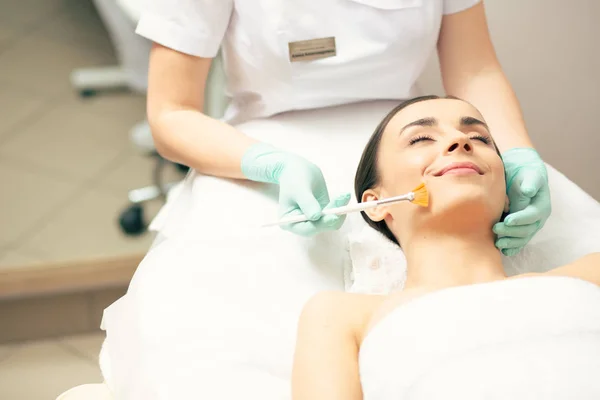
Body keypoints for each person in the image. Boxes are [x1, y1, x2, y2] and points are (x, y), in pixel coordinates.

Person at [135, 0, 550, 255]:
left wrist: (515, 152)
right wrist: (270, 165)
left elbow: (475, 71)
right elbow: (171, 113)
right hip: (257, 146)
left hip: (409, 135)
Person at [291, 96, 600, 399]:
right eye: (421, 139)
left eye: (479, 138)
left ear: (508, 193)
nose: (460, 142)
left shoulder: (590, 273)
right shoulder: (343, 317)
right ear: (375, 204)